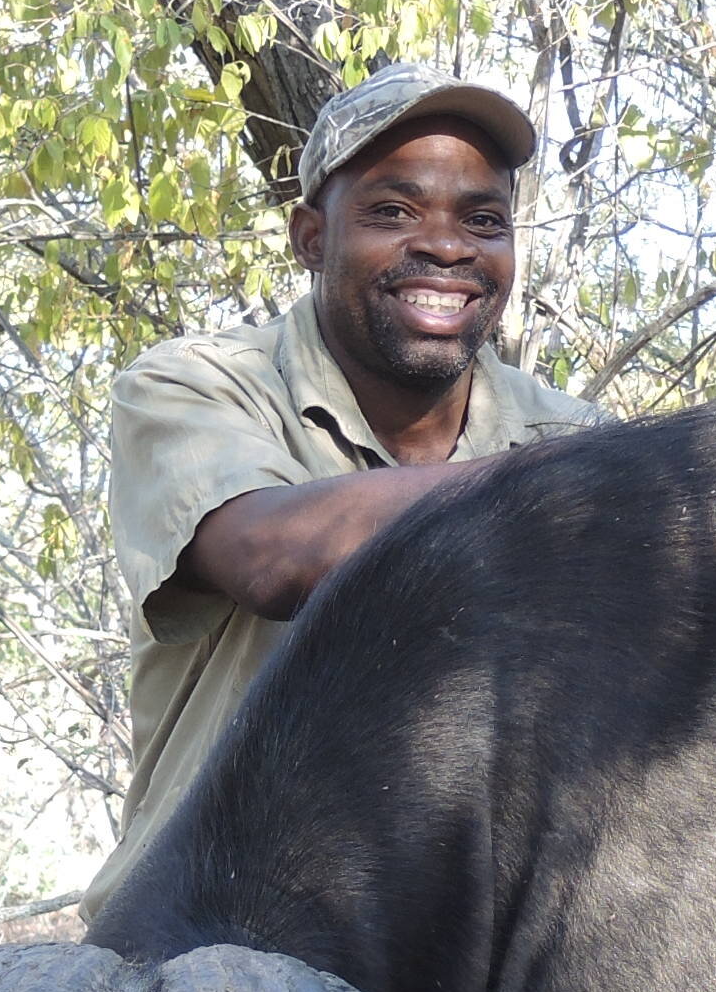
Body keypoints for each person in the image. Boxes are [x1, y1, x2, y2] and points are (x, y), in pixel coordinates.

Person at [86, 66, 606, 911]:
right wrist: (589, 488)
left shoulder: (569, 434)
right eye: (393, 212)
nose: (446, 246)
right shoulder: (193, 387)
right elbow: (272, 558)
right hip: (213, 924)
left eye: (484, 221)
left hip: (472, 931)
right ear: (310, 238)